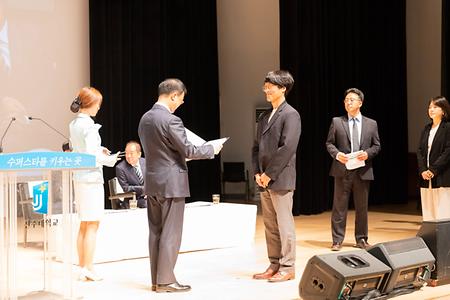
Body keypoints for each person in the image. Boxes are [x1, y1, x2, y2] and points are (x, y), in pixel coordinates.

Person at [138, 78, 222, 293]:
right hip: (171, 183)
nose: (180, 103)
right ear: (173, 95)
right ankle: (166, 281)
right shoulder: (171, 120)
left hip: (153, 181)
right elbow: (188, 150)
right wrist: (211, 149)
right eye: (181, 99)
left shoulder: (145, 118)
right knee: (171, 233)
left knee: (155, 232)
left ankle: (156, 280)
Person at [251, 70, 301, 283]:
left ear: (283, 88)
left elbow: (287, 147)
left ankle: (288, 266)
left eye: (271, 85)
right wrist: (257, 173)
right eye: (266, 85)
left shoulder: (291, 114)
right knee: (270, 225)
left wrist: (269, 175)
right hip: (263, 179)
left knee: (284, 224)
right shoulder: (263, 116)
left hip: (279, 178)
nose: (267, 89)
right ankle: (274, 263)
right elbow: (256, 147)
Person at [69, 87, 119, 281]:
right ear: (90, 104)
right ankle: (89, 267)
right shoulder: (90, 126)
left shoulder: (73, 124)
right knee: (93, 225)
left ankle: (82, 266)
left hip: (79, 178)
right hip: (91, 179)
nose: (99, 108)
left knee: (84, 223)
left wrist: (100, 149)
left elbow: (83, 149)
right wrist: (111, 159)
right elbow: (91, 156)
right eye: (98, 104)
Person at [325, 88, 380, 251]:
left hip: (362, 171)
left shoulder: (371, 123)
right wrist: (337, 155)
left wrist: (367, 154)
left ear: (360, 103)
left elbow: (377, 145)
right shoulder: (337, 121)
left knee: (362, 207)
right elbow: (329, 143)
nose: (348, 102)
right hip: (342, 169)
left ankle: (361, 239)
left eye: (352, 99)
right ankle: (337, 240)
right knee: (339, 207)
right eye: (346, 99)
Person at [417, 96, 450, 221]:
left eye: (435, 107)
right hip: (426, 177)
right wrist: (423, 170)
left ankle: (444, 240)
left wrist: (433, 169)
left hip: (442, 176)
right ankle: (430, 240)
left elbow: (448, 152)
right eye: (430, 107)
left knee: (443, 213)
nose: (431, 109)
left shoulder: (447, 128)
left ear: (443, 110)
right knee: (428, 214)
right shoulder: (426, 129)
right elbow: (420, 151)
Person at [115, 140, 147, 208]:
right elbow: (126, 188)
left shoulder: (146, 162)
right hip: (133, 200)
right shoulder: (120, 168)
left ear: (139, 154)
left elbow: (153, 181)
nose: (128, 156)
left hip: (149, 197)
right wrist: (145, 189)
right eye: (126, 153)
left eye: (131, 153)